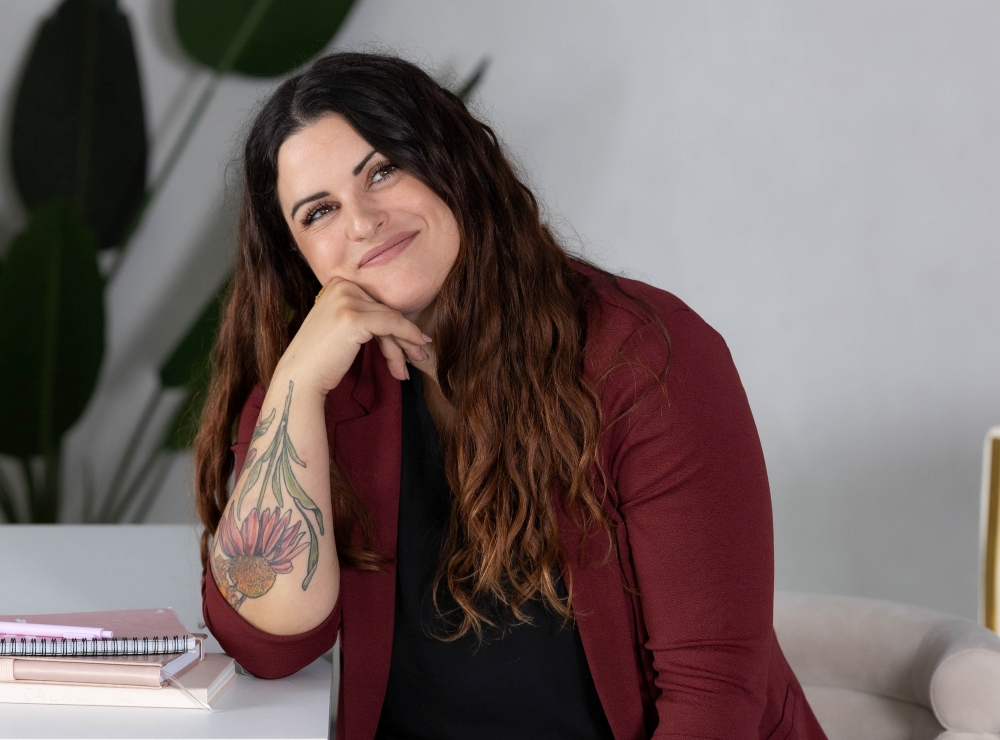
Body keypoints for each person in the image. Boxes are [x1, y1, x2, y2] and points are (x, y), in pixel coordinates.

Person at [193, 52, 827, 740]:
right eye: (319, 212)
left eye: (383, 170)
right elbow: (267, 645)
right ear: (298, 257)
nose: (362, 221)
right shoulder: (319, 385)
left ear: (454, 166)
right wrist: (296, 385)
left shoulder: (645, 357)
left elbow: (712, 701)